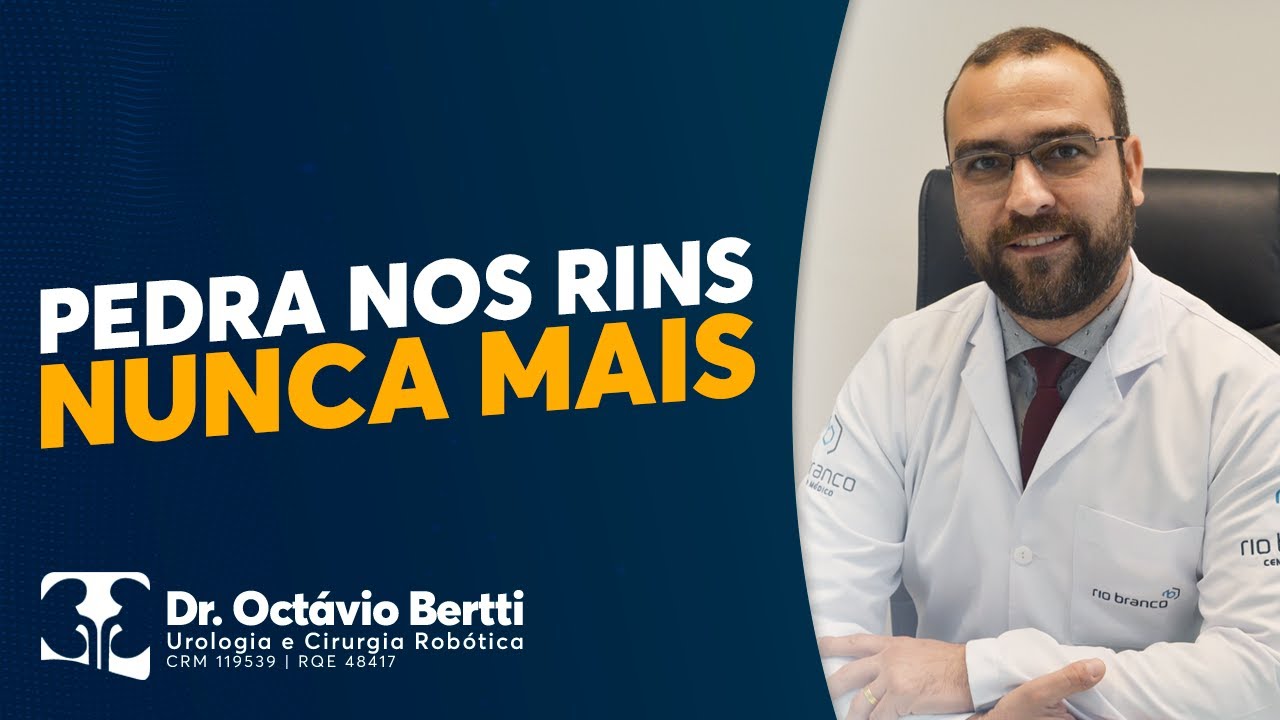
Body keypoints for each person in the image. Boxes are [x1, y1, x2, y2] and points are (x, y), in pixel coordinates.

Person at [797, 26, 1280, 720]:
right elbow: (821, 623)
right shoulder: (899, 365)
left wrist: (978, 671)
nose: (1026, 197)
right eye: (985, 163)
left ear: (1131, 169)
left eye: (1064, 151)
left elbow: (1261, 674)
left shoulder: (1252, 394)